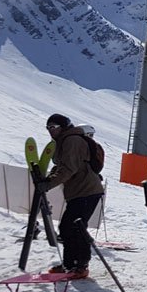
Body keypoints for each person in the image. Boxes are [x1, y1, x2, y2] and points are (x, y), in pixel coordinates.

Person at [39, 114, 104, 279]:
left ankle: (80, 265)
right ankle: (70, 264)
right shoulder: (63, 142)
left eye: (53, 127)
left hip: (87, 190)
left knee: (75, 227)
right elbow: (60, 166)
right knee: (68, 227)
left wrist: (48, 184)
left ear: (63, 127)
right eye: (48, 128)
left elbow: (69, 168)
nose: (50, 131)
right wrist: (48, 179)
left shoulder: (72, 141)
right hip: (79, 191)